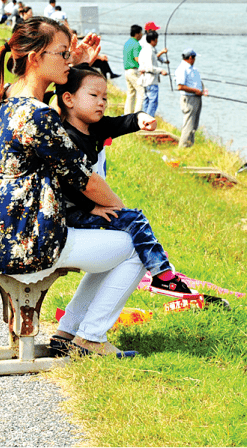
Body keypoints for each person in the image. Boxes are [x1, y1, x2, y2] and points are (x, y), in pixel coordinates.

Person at [0, 17, 142, 356]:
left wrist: (79, 63)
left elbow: (60, 96)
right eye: (62, 54)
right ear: (35, 57)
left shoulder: (7, 98)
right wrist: (126, 213)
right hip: (28, 241)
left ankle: (69, 332)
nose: (68, 59)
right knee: (134, 245)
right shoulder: (38, 115)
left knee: (119, 243)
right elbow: (85, 180)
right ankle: (90, 338)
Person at [51, 64, 194, 298]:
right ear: (69, 99)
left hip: (82, 209)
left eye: (105, 97)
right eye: (94, 96)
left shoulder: (94, 128)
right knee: (134, 219)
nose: (102, 102)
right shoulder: (67, 137)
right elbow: (67, 185)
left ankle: (161, 271)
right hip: (70, 213)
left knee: (132, 222)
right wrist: (94, 207)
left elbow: (122, 123)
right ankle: (163, 275)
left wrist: (141, 118)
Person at [174, 48, 207, 148]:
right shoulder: (182, 69)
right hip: (189, 99)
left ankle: (189, 146)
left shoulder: (192, 69)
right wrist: (195, 91)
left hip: (196, 98)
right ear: (190, 58)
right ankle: (182, 147)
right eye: (194, 58)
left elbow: (197, 82)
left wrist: (203, 89)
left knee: (194, 125)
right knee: (188, 125)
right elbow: (180, 86)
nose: (195, 60)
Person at [137, 30, 168, 117]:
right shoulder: (150, 51)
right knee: (153, 102)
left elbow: (142, 64)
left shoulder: (144, 50)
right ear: (153, 40)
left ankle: (143, 120)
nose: (157, 41)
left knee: (146, 101)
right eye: (156, 39)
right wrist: (161, 70)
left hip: (145, 80)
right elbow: (150, 67)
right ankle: (149, 120)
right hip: (151, 81)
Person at [122, 24, 143, 114]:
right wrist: (143, 67)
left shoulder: (127, 43)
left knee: (131, 93)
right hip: (134, 70)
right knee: (142, 92)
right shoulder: (136, 44)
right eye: (141, 33)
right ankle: (138, 114)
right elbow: (137, 58)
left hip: (126, 71)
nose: (142, 35)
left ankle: (128, 113)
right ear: (137, 34)